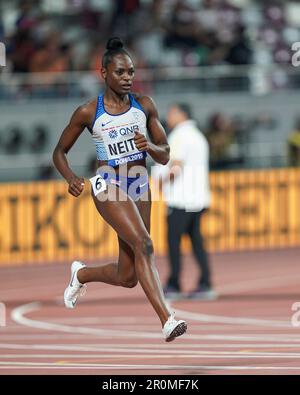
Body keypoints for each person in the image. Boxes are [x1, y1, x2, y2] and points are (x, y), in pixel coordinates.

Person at [52, 37, 187, 342]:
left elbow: (165, 154)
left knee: (128, 277)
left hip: (139, 181)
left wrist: (149, 146)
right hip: (108, 183)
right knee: (145, 244)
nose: (128, 78)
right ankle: (167, 319)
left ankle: (81, 274)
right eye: (121, 72)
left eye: (131, 73)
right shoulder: (89, 112)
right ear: (104, 73)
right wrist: (71, 177)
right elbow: (59, 151)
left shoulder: (145, 105)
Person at [154, 103, 216, 300]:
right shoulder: (198, 136)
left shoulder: (179, 135)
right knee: (197, 242)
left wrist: (162, 182)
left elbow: (176, 166)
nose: (169, 116)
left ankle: (174, 284)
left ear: (182, 114)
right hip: (198, 197)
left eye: (172, 112)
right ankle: (205, 283)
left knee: (173, 242)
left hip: (181, 199)